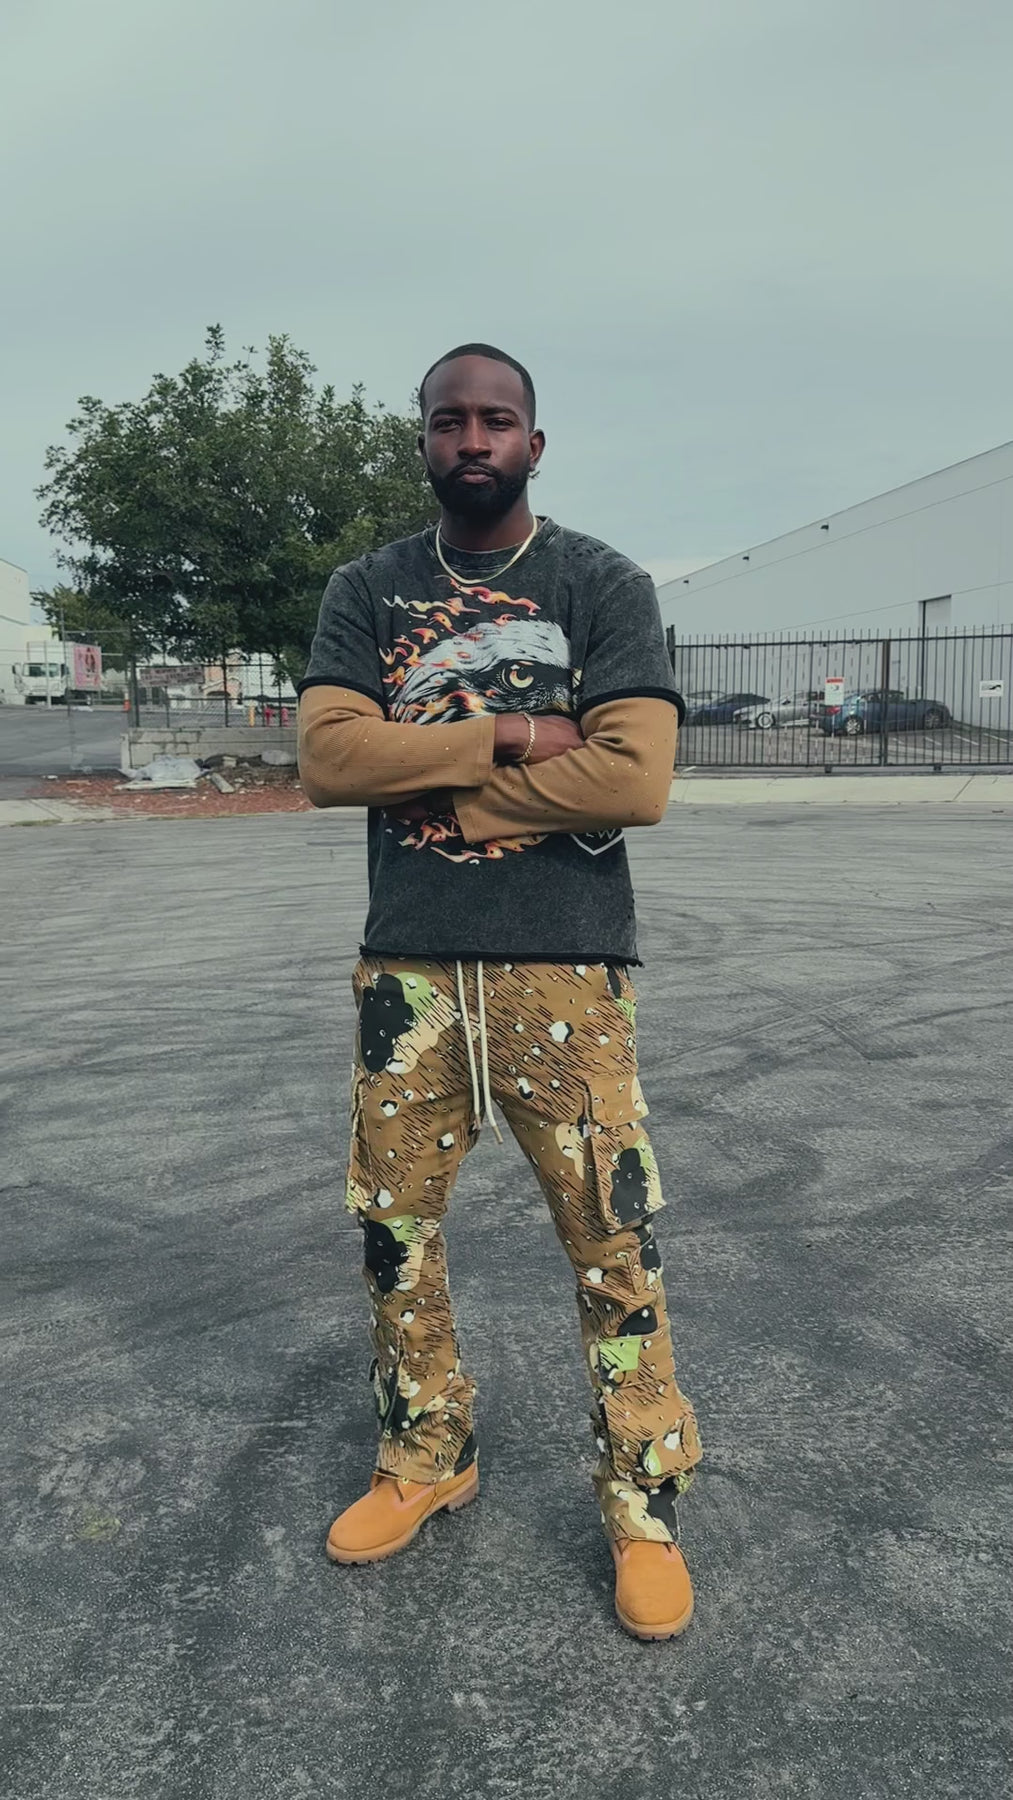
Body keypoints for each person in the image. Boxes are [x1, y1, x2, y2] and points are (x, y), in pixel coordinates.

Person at [297, 343, 702, 1641]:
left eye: (496, 420)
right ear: (422, 439)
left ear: (534, 441)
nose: (471, 439)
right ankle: (426, 1453)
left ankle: (643, 1507)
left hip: (564, 969)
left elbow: (634, 777)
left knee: (613, 1244)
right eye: (448, 420)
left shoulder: (599, 583)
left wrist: (435, 778)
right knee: (392, 1232)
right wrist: (518, 737)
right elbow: (327, 759)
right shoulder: (369, 589)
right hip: (407, 970)